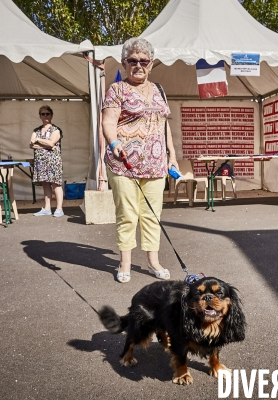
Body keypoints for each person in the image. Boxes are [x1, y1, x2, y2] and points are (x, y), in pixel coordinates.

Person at [101, 37, 178, 283]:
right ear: (124, 63)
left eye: (143, 61)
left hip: (156, 165)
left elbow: (164, 127)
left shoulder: (159, 90)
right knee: (127, 213)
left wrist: (172, 156)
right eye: (132, 60)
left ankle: (153, 260)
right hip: (124, 164)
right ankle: (125, 262)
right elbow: (108, 122)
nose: (138, 65)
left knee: (152, 215)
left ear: (151, 63)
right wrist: (114, 144)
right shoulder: (116, 90)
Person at [29, 105, 64, 217]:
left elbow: (52, 143)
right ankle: (47, 208)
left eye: (47, 114)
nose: (45, 116)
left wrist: (38, 140)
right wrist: (47, 145)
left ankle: (59, 209)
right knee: (45, 184)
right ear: (40, 116)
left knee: (56, 184)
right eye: (43, 114)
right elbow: (31, 145)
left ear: (51, 115)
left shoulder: (56, 130)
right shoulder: (36, 130)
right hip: (41, 161)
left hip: (53, 161)